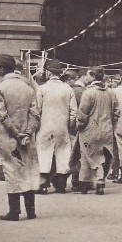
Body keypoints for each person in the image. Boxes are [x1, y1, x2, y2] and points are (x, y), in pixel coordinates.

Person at [0, 54, 41, 219]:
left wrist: (16, 133)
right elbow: (35, 113)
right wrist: (27, 133)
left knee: (11, 170)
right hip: (27, 136)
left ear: (3, 68)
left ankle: (14, 211)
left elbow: (2, 115)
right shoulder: (27, 87)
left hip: (9, 137)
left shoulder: (0, 87)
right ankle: (31, 211)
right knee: (28, 169)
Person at [34, 59, 77, 194]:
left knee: (43, 153)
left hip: (45, 126)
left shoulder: (42, 89)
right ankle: (61, 185)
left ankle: (43, 185)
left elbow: (36, 110)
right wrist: (69, 126)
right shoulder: (68, 89)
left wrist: (36, 126)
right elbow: (73, 111)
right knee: (63, 153)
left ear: (48, 72)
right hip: (62, 127)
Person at [75, 66, 120, 195]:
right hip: (107, 130)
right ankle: (100, 181)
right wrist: (112, 124)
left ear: (92, 75)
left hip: (90, 130)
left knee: (86, 155)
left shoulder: (88, 92)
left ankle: (85, 182)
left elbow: (82, 113)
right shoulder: (111, 92)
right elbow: (117, 112)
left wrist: (79, 126)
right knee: (103, 156)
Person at [64, 69, 88, 192]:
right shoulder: (81, 91)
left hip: (65, 126)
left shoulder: (67, 90)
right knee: (78, 155)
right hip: (77, 127)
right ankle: (77, 181)